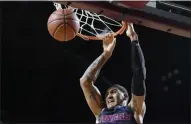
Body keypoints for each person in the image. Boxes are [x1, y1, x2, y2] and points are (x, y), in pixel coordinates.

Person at [80, 22, 146, 124]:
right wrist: (106, 54)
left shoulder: (133, 109)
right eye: (107, 94)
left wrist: (133, 39)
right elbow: (85, 81)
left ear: (125, 96)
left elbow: (139, 74)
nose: (108, 96)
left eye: (114, 92)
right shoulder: (100, 113)